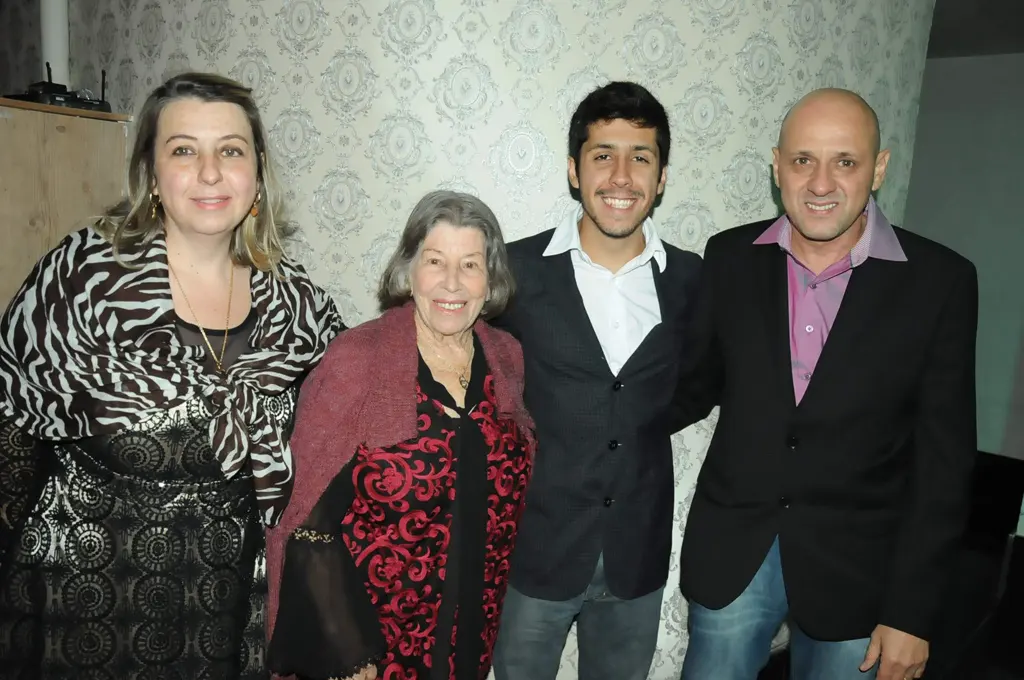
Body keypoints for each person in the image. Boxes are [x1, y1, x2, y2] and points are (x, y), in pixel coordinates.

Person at [0, 72, 344, 678]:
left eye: (231, 151)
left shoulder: (297, 304)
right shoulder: (82, 280)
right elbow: (10, 439)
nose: (210, 173)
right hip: (84, 603)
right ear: (152, 174)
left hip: (227, 609)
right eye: (184, 150)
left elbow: (345, 420)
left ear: (257, 172)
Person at [672, 88, 978, 680]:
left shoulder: (941, 282)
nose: (820, 183)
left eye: (845, 161)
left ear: (878, 168)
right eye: (803, 160)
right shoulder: (729, 256)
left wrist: (911, 612)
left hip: (861, 570)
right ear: (777, 165)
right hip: (734, 551)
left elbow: (945, 463)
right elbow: (695, 384)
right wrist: (588, 406)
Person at [265, 190, 535, 680]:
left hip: (472, 629)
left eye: (470, 265)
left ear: (490, 279)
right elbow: (307, 520)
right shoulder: (357, 360)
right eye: (435, 261)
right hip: (372, 641)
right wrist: (349, 652)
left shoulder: (506, 357)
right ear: (409, 271)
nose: (452, 282)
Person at [490, 81, 703, 680]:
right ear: (573, 169)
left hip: (637, 555)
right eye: (603, 154)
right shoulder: (515, 271)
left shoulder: (691, 280)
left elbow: (697, 386)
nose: (621, 176)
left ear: (662, 176)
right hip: (536, 551)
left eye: (641, 157)